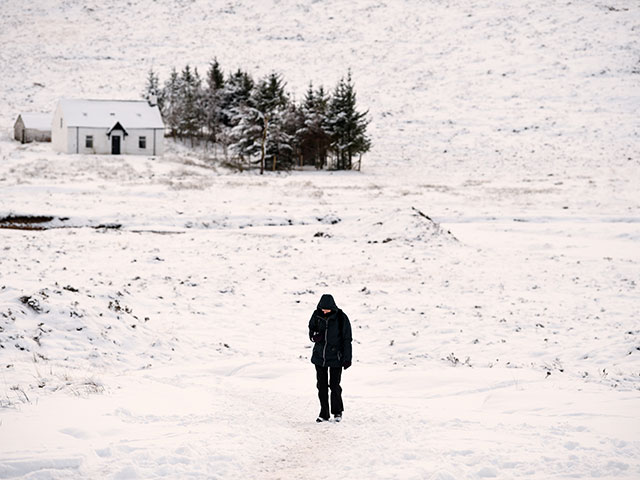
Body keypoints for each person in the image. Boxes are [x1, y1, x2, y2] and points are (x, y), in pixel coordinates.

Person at [308, 294, 353, 422]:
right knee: (321, 386)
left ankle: (337, 412)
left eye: (327, 309)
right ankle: (324, 413)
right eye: (323, 308)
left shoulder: (341, 318)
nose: (325, 311)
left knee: (334, 385)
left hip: (336, 357)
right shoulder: (316, 315)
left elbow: (347, 339)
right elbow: (311, 330)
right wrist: (314, 336)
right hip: (319, 357)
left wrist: (347, 358)